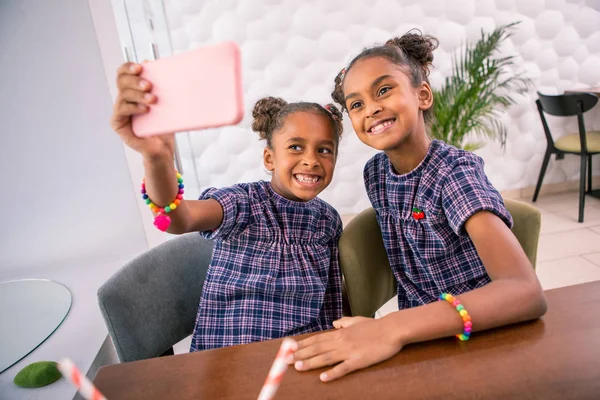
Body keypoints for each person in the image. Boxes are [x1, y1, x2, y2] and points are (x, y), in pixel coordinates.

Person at [290, 31, 547, 382]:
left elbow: (525, 291)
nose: (372, 108)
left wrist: (393, 327)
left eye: (383, 90)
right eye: (357, 104)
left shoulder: (454, 174)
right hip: (420, 339)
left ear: (422, 94)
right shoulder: (377, 173)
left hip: (479, 332)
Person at [110, 62, 345, 351]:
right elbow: (177, 219)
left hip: (298, 360)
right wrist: (158, 159)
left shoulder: (328, 221)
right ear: (269, 159)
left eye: (324, 149)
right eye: (296, 147)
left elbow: (331, 301)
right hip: (231, 357)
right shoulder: (244, 203)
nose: (311, 160)